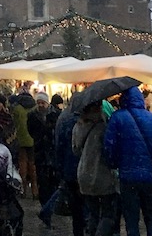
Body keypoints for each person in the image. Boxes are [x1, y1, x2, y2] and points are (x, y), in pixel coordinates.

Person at [103, 85, 152, 236]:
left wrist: (113, 163)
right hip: (150, 176)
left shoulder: (117, 118)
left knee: (131, 221)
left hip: (127, 176)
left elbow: (109, 145)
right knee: (151, 219)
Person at [39, 91, 85, 236]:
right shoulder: (80, 119)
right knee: (80, 203)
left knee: (71, 198)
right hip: (81, 166)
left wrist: (59, 165)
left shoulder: (63, 117)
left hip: (68, 166)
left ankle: (77, 229)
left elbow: (58, 144)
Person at [73, 99, 119, 236]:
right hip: (102, 175)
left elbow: (75, 150)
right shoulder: (104, 127)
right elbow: (110, 152)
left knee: (93, 213)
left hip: (84, 174)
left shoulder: (78, 126)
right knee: (107, 214)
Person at [28, 91, 56, 203]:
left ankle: (51, 201)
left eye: (42, 103)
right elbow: (30, 130)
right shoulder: (32, 115)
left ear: (47, 103)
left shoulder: (54, 114)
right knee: (41, 178)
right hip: (40, 150)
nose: (40, 105)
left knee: (52, 179)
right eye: (38, 102)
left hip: (51, 149)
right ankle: (44, 201)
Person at [10, 90, 38, 199]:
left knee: (22, 166)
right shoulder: (34, 108)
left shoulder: (17, 109)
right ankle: (35, 190)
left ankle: (23, 190)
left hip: (21, 140)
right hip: (33, 140)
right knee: (33, 166)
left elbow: (14, 124)